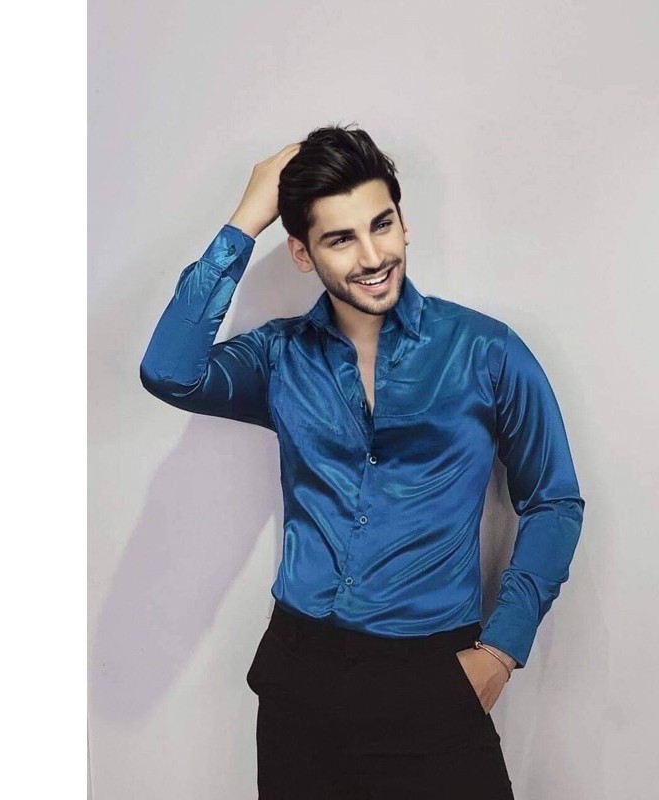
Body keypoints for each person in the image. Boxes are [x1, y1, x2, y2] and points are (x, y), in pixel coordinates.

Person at [140, 124, 585, 799]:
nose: (373, 256)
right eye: (340, 238)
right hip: (300, 679)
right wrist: (246, 219)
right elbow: (170, 372)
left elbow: (554, 500)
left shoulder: (487, 351)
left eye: (382, 224)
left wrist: (500, 650)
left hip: (435, 674)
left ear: (404, 224)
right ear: (302, 252)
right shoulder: (278, 358)